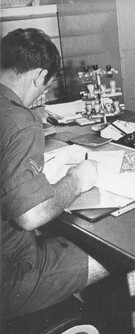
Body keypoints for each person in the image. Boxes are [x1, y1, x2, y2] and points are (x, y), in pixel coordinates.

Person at [0, 28, 108, 318]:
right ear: (37, 76)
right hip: (11, 277)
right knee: (118, 257)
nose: (40, 93)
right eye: (44, 86)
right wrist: (77, 180)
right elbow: (30, 215)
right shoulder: (20, 121)